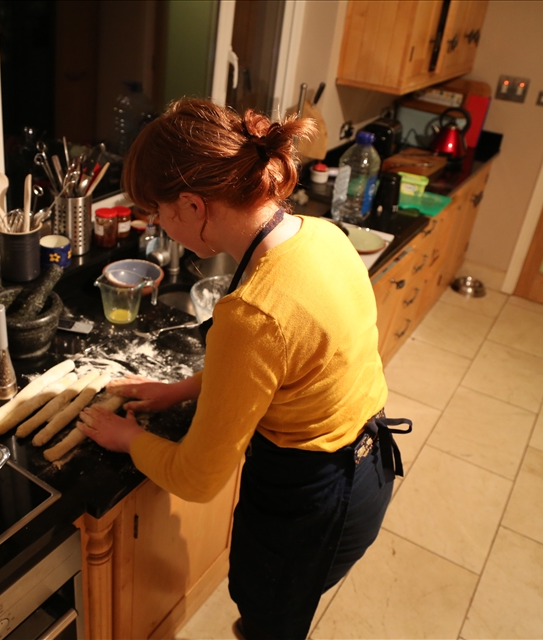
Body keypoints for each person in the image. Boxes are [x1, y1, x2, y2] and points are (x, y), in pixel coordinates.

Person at [76, 98, 411, 640]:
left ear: (191, 205)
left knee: (268, 625)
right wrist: (178, 391)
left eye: (158, 212)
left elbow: (198, 478)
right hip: (365, 470)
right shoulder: (319, 235)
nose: (159, 225)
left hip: (312, 499)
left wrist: (128, 438)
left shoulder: (252, 314)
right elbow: (287, 363)